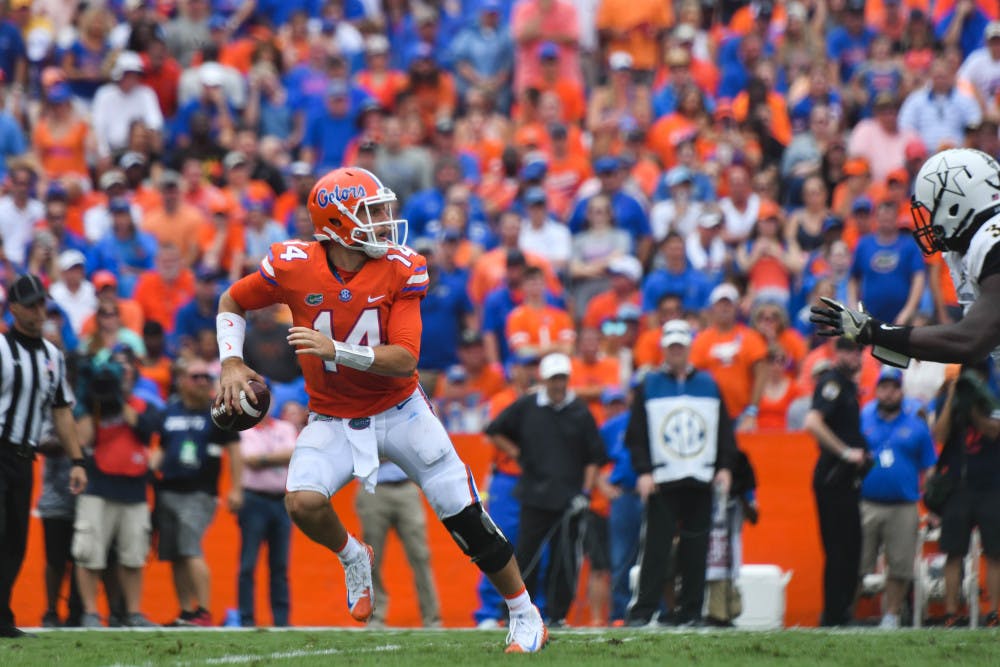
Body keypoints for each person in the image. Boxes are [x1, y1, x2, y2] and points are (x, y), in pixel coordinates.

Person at [215, 167, 549, 652]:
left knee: (463, 514)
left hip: (402, 409)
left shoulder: (402, 265)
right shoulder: (292, 264)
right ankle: (354, 556)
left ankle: (524, 613)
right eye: (369, 211)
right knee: (302, 502)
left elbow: (406, 358)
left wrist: (334, 349)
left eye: (381, 208)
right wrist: (231, 361)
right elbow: (233, 299)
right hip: (332, 415)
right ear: (334, 223)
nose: (383, 220)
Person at [810, 148, 1000, 368]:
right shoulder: (986, 240)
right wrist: (877, 334)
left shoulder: (993, 241)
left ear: (959, 202)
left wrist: (875, 332)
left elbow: (970, 341)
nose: (930, 223)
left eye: (933, 209)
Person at [624, 320, 736, 627]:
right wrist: (644, 472)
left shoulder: (709, 384)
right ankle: (644, 610)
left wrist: (725, 467)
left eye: (681, 347)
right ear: (664, 349)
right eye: (671, 347)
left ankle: (691, 611)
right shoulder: (648, 385)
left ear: (688, 348)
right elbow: (636, 435)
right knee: (656, 549)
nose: (676, 352)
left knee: (696, 549)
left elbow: (724, 431)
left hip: (700, 478)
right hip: (662, 479)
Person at [484, 352, 605, 626]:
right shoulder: (528, 405)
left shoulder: (580, 411)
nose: (558, 384)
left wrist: (585, 493)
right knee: (527, 558)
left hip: (569, 499)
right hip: (535, 495)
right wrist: (517, 454)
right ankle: (516, 613)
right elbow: (494, 430)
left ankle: (557, 615)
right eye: (553, 378)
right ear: (544, 379)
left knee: (565, 561)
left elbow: (593, 457)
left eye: (562, 378)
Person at [0, 274, 86, 638]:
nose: (40, 311)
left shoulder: (53, 355)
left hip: (24, 458)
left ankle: (2, 616)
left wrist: (77, 460)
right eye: (32, 304)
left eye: (42, 304)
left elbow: (62, 410)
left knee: (16, 541)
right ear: (14, 308)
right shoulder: (2, 348)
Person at [151, 357, 242, 627]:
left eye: (206, 377)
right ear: (181, 382)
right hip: (167, 489)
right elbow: (161, 448)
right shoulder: (169, 412)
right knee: (174, 553)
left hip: (199, 491)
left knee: (190, 548)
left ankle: (203, 610)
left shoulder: (219, 413)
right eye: (196, 376)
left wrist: (237, 488)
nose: (203, 381)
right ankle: (186, 612)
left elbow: (235, 452)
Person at [72, 354, 159, 628]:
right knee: (89, 553)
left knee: (133, 555)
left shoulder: (143, 404)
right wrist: (86, 400)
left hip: (134, 489)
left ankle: (132, 613)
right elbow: (84, 438)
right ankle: (90, 613)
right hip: (98, 486)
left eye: (126, 371)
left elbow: (146, 431)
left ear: (132, 376)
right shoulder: (91, 404)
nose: (122, 376)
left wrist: (120, 401)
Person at [859, 366, 937, 629]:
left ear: (901, 391)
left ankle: (891, 615)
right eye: (884, 387)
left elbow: (929, 465)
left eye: (894, 387)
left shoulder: (916, 423)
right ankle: (847, 613)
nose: (888, 392)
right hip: (866, 502)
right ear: (877, 389)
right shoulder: (864, 417)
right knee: (857, 560)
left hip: (904, 504)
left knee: (901, 565)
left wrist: (929, 501)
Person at [803, 338, 871, 627]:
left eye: (859, 351)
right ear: (839, 352)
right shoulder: (833, 383)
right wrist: (845, 452)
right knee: (839, 547)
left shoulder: (848, 386)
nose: (856, 356)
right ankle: (834, 614)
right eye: (850, 350)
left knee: (851, 546)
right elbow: (812, 422)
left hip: (845, 479)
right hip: (834, 476)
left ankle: (841, 610)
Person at [929, 362, 1000, 628]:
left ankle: (993, 612)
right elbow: (940, 434)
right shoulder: (952, 399)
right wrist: (951, 398)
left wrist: (973, 406)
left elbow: (993, 431)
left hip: (992, 486)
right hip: (958, 486)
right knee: (953, 551)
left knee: (995, 552)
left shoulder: (995, 397)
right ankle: (950, 612)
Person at [355, 462, 441, 628]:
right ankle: (375, 617)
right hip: (372, 489)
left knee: (421, 555)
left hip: (407, 487)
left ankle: (432, 619)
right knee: (370, 557)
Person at [236, 412, 297, 627]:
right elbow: (249, 460)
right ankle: (246, 620)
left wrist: (263, 459)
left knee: (280, 566)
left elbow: (293, 454)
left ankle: (281, 622)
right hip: (254, 500)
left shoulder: (285, 428)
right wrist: (278, 457)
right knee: (247, 564)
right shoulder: (243, 428)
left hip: (282, 500)